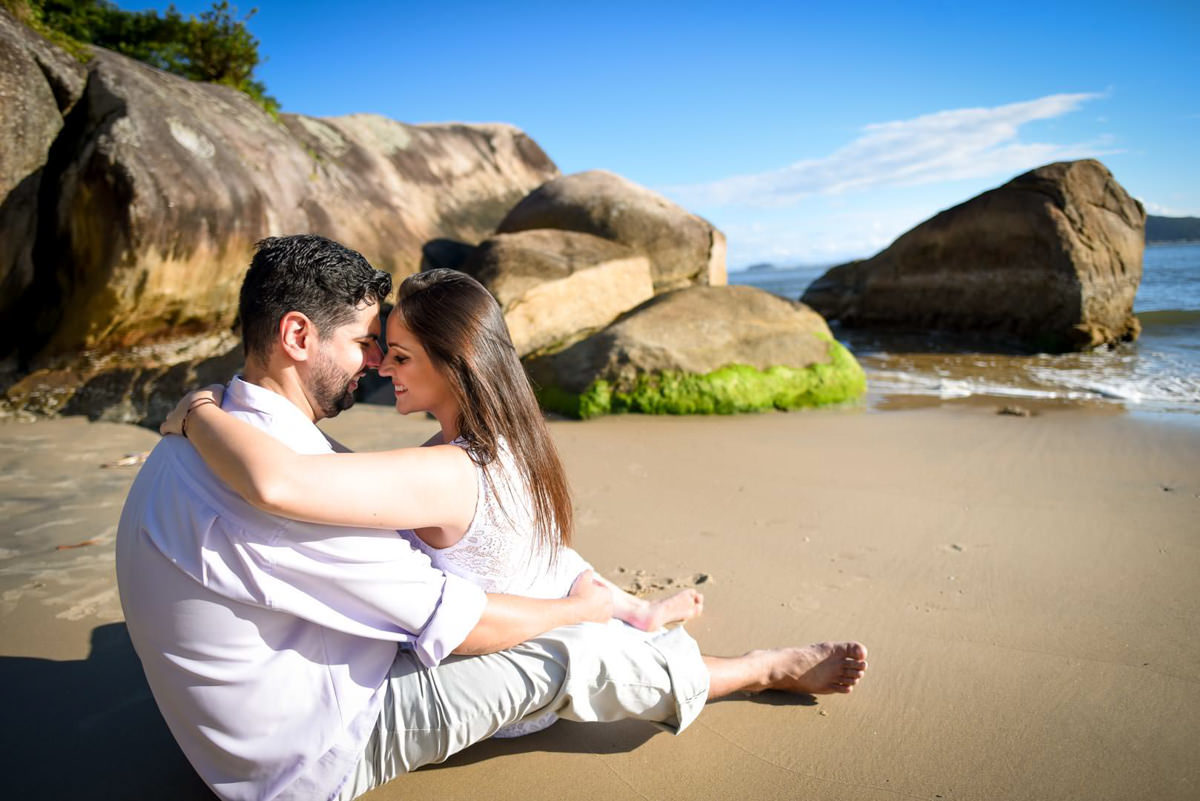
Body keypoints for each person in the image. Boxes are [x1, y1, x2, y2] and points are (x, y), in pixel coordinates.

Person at [116, 234, 867, 801]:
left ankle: (631, 615)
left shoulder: (223, 435)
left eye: (391, 351)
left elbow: (322, 481)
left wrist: (204, 409)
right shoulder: (272, 481)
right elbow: (461, 620)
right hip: (301, 750)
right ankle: (754, 669)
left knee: (542, 579)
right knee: (568, 649)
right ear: (297, 336)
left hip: (241, 716)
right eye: (363, 343)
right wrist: (577, 609)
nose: (372, 363)